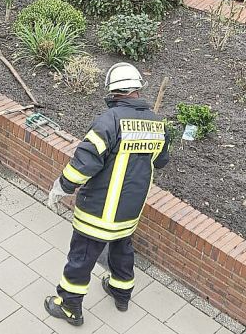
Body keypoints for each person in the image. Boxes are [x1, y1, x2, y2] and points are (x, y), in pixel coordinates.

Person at [44, 62, 170, 326]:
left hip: (98, 212)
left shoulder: (109, 121)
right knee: (122, 249)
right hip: (130, 211)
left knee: (81, 258)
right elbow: (159, 162)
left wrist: (62, 186)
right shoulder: (158, 125)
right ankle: (121, 291)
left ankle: (69, 306)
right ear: (138, 89)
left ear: (112, 92)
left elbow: (85, 163)